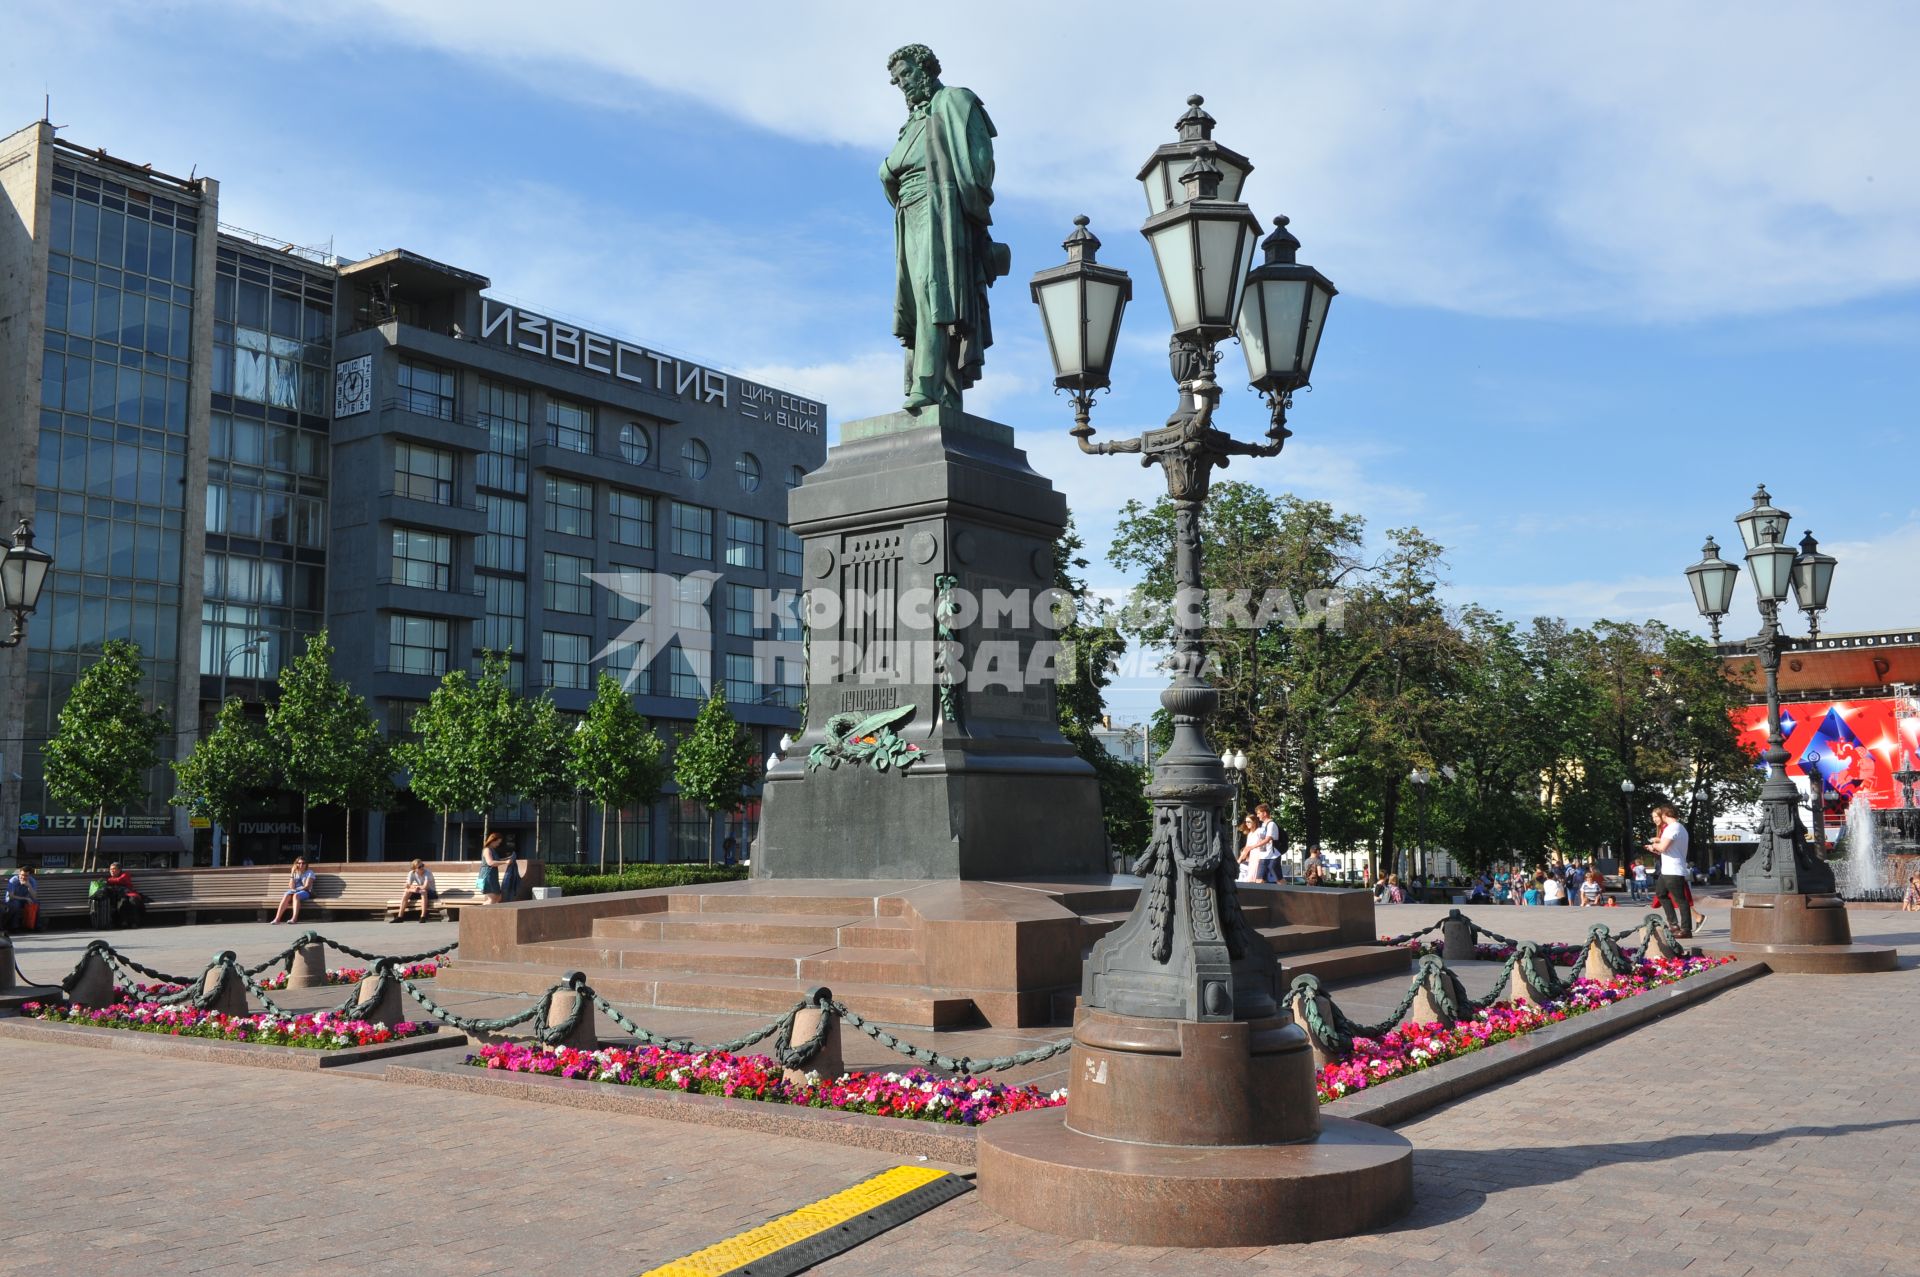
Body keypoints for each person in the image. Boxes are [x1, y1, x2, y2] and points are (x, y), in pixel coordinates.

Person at [879, 44, 1005, 413]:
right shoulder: (913, 122)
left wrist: (966, 207)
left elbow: (981, 163)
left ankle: (928, 384)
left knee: (936, 293)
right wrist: (887, 170)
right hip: (910, 211)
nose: (899, 84)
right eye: (895, 79)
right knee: (917, 300)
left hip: (942, 209)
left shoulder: (955, 101)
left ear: (925, 68)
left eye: (904, 74)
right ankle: (943, 392)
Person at [1645, 805, 1694, 939]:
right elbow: (1667, 849)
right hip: (1668, 869)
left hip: (1674, 869)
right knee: (1661, 894)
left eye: (1660, 815)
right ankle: (1673, 924)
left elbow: (1662, 847)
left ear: (1665, 815)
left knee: (1681, 900)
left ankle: (1686, 929)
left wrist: (1653, 845)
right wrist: (1655, 847)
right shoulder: (1680, 828)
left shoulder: (1672, 828)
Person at [269, 858, 315, 925]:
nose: (301, 865)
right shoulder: (295, 873)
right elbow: (291, 886)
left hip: (306, 892)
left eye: (303, 863)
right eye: (299, 863)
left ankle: (294, 918)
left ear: (306, 864)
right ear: (296, 864)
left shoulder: (309, 872)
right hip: (295, 891)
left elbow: (307, 886)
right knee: (287, 895)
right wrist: (292, 873)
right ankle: (277, 919)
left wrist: (296, 890)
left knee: (296, 895)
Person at [478, 832, 520, 904]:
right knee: (492, 899)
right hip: (487, 876)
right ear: (493, 840)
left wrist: (506, 859)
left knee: (498, 897)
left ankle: (488, 913)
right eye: (498, 842)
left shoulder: (492, 850)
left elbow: (496, 860)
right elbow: (490, 862)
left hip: (492, 876)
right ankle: (478, 912)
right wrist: (505, 862)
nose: (498, 844)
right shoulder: (487, 850)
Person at [103, 862, 146, 929]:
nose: (112, 871)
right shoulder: (110, 878)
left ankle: (134, 922)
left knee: (133, 900)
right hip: (120, 896)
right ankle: (124, 921)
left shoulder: (125, 874)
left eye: (114, 869)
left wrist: (109, 880)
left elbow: (121, 880)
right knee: (123, 901)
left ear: (119, 870)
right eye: (110, 869)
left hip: (130, 893)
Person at [394, 859, 436, 923]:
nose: (422, 867)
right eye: (419, 867)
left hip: (431, 893)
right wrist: (414, 888)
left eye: (422, 865)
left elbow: (425, 887)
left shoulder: (427, 873)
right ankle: (400, 916)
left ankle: (423, 916)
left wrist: (415, 887)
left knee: (423, 892)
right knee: (406, 892)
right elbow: (406, 885)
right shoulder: (412, 873)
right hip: (421, 891)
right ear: (414, 869)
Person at [1252, 803, 1282, 885]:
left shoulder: (1271, 824)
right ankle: (1260, 897)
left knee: (1279, 880)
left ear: (1264, 813)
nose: (1257, 816)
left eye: (1258, 813)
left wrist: (1253, 846)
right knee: (1259, 880)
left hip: (1273, 856)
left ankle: (1290, 895)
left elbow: (1268, 839)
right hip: (1263, 856)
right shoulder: (1263, 825)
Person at [4, 865, 39, 932]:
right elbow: (11, 896)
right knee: (16, 904)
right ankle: (14, 927)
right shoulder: (14, 880)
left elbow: (34, 897)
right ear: (19, 873)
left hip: (24, 901)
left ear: (29, 876)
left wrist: (29, 886)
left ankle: (34, 926)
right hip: (12, 900)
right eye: (22, 875)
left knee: (35, 903)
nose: (23, 877)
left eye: (26, 876)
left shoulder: (32, 881)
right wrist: (25, 898)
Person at [1234, 815, 1260, 884]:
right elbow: (1246, 848)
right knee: (1251, 879)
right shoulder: (1250, 834)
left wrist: (1239, 860)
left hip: (1259, 857)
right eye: (1246, 822)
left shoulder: (1259, 831)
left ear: (1254, 822)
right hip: (1253, 858)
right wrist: (1240, 859)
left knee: (1256, 879)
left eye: (1249, 822)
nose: (1246, 824)